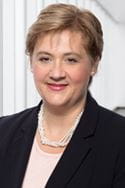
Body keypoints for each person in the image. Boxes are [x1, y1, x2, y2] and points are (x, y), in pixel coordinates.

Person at [0, 3, 125, 188]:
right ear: (31, 62)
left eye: (71, 60)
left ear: (94, 64)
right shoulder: (3, 132)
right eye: (45, 59)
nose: (56, 73)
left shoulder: (119, 140)